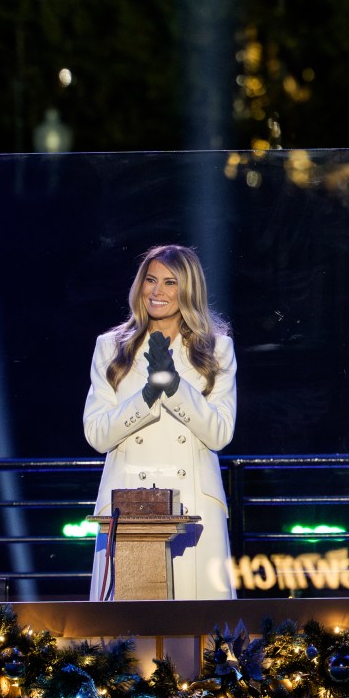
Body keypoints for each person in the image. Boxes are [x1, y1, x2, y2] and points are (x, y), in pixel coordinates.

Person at [84, 245, 237, 599]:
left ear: (188, 290)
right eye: (150, 280)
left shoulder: (216, 348)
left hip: (193, 505)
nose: (157, 291)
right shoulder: (110, 347)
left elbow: (220, 434)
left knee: (197, 631)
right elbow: (96, 434)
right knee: (124, 636)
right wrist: (146, 398)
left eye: (170, 282)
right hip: (127, 505)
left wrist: (174, 387)